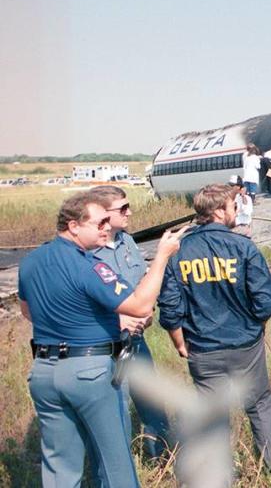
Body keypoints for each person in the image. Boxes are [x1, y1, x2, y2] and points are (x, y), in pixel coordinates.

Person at [18, 191, 185, 488]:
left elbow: (28, 310)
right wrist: (161, 258)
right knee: (115, 464)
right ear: (73, 226)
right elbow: (140, 306)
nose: (106, 228)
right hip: (89, 370)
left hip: (44, 370)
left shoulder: (32, 261)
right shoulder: (90, 265)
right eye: (100, 223)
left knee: (59, 469)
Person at [157, 184, 271, 481]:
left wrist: (179, 344)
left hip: (202, 348)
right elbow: (264, 300)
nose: (237, 211)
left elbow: (170, 307)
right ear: (217, 212)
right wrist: (256, 330)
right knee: (260, 406)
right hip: (245, 346)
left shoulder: (180, 251)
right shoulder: (244, 247)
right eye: (233, 206)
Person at [89, 185, 172, 462]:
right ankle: (119, 468)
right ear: (102, 213)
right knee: (117, 407)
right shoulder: (86, 253)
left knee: (152, 402)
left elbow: (143, 284)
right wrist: (119, 319)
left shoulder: (126, 241)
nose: (129, 212)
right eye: (122, 208)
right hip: (105, 344)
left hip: (136, 339)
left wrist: (145, 313)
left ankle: (159, 460)